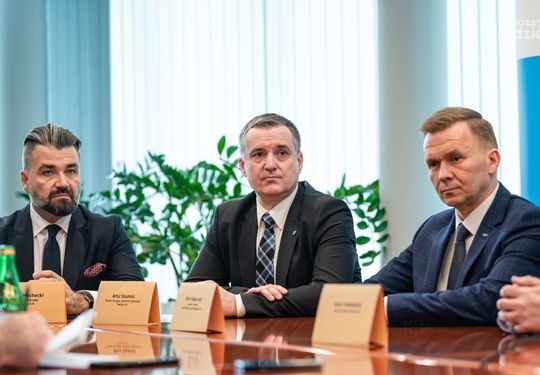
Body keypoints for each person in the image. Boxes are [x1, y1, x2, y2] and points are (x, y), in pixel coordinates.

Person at [365, 107, 540, 326]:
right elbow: (377, 288)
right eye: (433, 164)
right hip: (426, 347)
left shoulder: (526, 221)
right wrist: (342, 303)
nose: (443, 175)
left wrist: (386, 307)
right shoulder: (432, 228)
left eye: (455, 158)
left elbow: (492, 300)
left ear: (492, 161)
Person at [185, 113, 361, 317]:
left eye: (282, 153)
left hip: (314, 334)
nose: (270, 164)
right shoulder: (228, 216)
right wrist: (249, 294)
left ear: (299, 161)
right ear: (243, 166)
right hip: (247, 335)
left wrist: (240, 302)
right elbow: (195, 290)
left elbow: (329, 293)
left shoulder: (329, 212)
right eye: (258, 154)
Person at [0, 124, 144, 315]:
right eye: (48, 172)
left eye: (70, 171)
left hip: (83, 336)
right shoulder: (3, 234)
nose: (63, 183)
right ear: (25, 181)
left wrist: (84, 299)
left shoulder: (107, 231)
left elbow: (135, 298)